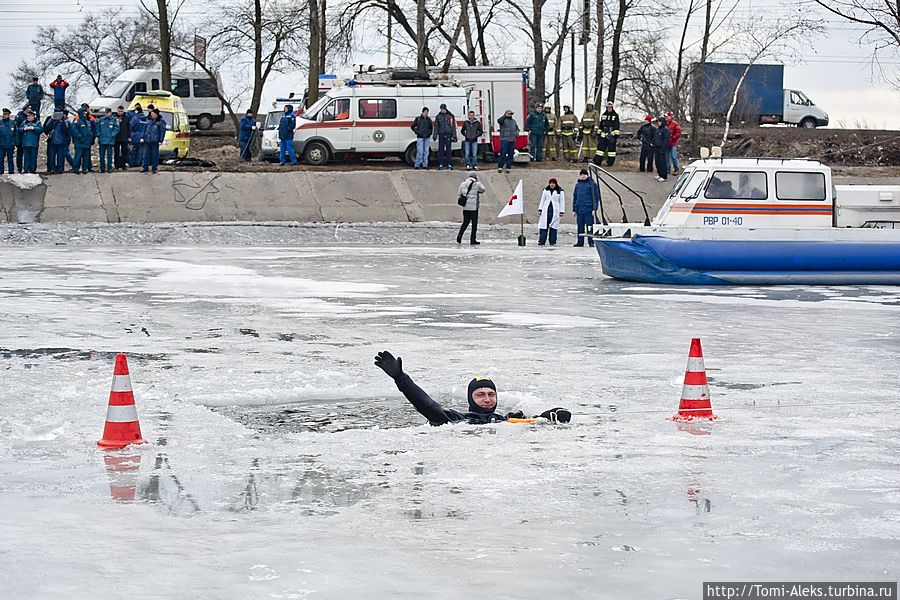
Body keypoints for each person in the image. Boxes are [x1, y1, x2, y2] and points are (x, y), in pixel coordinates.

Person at [374, 350, 572, 426]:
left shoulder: (507, 418)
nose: (487, 399)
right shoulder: (458, 418)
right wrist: (401, 378)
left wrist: (554, 414)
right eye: (480, 395)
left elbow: (536, 420)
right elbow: (428, 407)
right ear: (470, 399)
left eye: (491, 394)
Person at [456, 170, 486, 245]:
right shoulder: (476, 184)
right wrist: (479, 182)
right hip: (473, 208)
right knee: (474, 224)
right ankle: (472, 240)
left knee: (465, 222)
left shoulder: (463, 184)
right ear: (475, 176)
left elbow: (459, 193)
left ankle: (460, 235)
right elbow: (483, 190)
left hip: (465, 207)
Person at [572, 168, 600, 247]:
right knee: (580, 226)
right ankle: (580, 242)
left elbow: (596, 197)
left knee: (589, 226)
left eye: (584, 174)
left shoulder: (592, 184)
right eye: (581, 174)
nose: (583, 176)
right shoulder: (578, 185)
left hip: (588, 209)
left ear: (587, 175)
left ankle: (591, 242)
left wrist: (594, 208)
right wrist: (574, 209)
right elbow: (575, 197)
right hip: (579, 209)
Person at [538, 178, 566, 246]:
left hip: (555, 210)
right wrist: (540, 209)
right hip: (546, 210)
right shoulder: (545, 190)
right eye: (551, 183)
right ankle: (542, 241)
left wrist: (562, 211)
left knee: (553, 227)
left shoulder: (560, 191)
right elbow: (542, 200)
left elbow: (562, 201)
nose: (552, 184)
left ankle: (552, 241)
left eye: (553, 183)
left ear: (555, 184)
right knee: (544, 226)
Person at [594, 101, 620, 167]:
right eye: (608, 107)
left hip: (611, 135)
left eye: (610, 107)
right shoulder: (603, 115)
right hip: (603, 135)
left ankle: (610, 162)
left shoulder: (615, 115)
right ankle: (597, 161)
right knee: (600, 149)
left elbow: (617, 126)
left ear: (612, 108)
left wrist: (615, 135)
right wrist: (599, 134)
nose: (609, 109)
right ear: (606, 108)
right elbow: (601, 125)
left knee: (611, 151)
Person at [44, 109, 70, 173]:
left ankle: (60, 169)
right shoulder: (50, 119)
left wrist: (62, 121)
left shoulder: (64, 121)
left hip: (61, 141)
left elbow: (65, 130)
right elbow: (46, 128)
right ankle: (52, 168)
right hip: (52, 141)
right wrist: (52, 120)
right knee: (51, 156)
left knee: (60, 156)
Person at [141, 108, 166, 174]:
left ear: (156, 114)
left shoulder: (160, 121)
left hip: (155, 140)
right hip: (148, 139)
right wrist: (142, 137)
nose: (151, 115)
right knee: (146, 154)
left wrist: (160, 140)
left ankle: (154, 168)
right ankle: (145, 167)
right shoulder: (149, 120)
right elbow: (145, 129)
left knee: (155, 155)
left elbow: (162, 131)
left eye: (152, 114)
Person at [433, 103, 458, 170]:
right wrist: (435, 135)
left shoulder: (450, 116)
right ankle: (441, 164)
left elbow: (453, 126)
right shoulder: (438, 116)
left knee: (448, 151)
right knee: (440, 151)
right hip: (441, 135)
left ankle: (449, 164)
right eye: (441, 109)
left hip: (448, 135)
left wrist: (454, 135)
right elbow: (436, 127)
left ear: (445, 109)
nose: (442, 110)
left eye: (443, 109)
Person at [70, 108, 95, 174]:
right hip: (79, 142)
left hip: (87, 142)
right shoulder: (76, 121)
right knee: (78, 156)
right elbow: (74, 130)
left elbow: (90, 131)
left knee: (86, 157)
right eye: (83, 113)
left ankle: (85, 168)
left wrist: (91, 138)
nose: (85, 114)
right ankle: (75, 169)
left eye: (85, 113)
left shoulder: (87, 121)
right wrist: (80, 137)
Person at [497, 109, 519, 174]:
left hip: (512, 140)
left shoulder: (514, 121)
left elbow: (517, 128)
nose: (510, 115)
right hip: (504, 140)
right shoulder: (503, 120)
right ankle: (500, 167)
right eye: (509, 113)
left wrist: (516, 134)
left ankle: (508, 167)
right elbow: (499, 121)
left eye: (511, 114)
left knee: (511, 154)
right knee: (503, 153)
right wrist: (504, 116)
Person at [98, 107, 119, 173]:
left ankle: (109, 168)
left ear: (110, 113)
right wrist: (99, 134)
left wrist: (112, 134)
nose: (106, 114)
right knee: (101, 155)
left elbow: (117, 128)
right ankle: (102, 168)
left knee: (109, 155)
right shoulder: (101, 119)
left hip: (110, 140)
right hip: (102, 140)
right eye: (105, 112)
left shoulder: (114, 120)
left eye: (108, 112)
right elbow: (97, 128)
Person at [129, 103, 148, 167]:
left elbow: (131, 126)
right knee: (141, 151)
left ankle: (133, 163)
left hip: (135, 136)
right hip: (143, 136)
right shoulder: (145, 119)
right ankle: (139, 163)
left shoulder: (135, 118)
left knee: (134, 150)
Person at [652, 115, 671, 181]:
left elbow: (666, 140)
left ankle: (664, 176)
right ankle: (659, 174)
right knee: (657, 162)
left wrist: (663, 148)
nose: (658, 123)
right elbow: (655, 137)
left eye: (660, 122)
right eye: (658, 122)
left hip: (662, 148)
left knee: (662, 162)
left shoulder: (666, 130)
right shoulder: (658, 129)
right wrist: (653, 142)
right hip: (656, 147)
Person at [665, 111, 682, 176]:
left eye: (667, 116)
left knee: (673, 157)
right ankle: (667, 169)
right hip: (666, 143)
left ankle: (676, 170)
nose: (666, 118)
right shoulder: (665, 124)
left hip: (672, 143)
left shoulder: (675, 124)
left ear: (670, 116)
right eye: (665, 116)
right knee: (666, 157)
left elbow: (678, 133)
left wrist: (673, 138)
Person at [114, 106, 131, 170]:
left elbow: (129, 128)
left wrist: (129, 136)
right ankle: (116, 165)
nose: (120, 113)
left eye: (121, 111)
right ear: (117, 111)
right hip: (116, 137)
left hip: (124, 137)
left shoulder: (126, 117)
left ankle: (123, 165)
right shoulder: (114, 117)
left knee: (124, 152)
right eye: (119, 111)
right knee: (116, 152)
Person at [14, 107, 31, 173]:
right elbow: (17, 127)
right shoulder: (20, 116)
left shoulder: (30, 116)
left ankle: (27, 168)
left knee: (27, 155)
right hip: (21, 139)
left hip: (27, 139)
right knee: (20, 154)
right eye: (28, 109)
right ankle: (19, 168)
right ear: (25, 110)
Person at [0, 108, 15, 174]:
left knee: (10, 158)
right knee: (0, 158)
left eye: (6, 114)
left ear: (9, 115)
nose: (4, 115)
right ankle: (1, 171)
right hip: (1, 144)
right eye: (3, 114)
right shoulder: (0, 123)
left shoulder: (12, 123)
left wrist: (14, 142)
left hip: (10, 144)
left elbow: (15, 134)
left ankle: (11, 171)